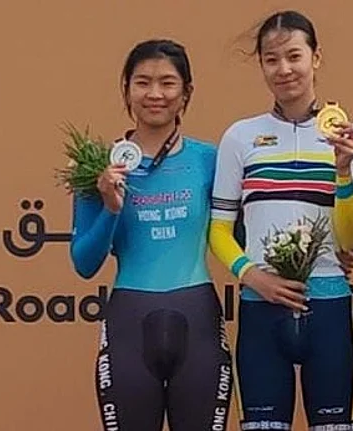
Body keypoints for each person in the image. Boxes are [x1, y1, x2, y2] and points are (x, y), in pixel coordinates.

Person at [208, 10, 353, 431]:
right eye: (271, 59)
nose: (284, 69)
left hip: (331, 306)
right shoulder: (240, 137)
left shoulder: (351, 138)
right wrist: (252, 277)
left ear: (316, 58)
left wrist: (341, 171)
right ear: (261, 64)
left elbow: (352, 237)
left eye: (294, 56)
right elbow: (220, 230)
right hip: (261, 310)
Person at [69, 39, 232, 431]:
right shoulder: (99, 165)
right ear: (126, 89)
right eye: (142, 82)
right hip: (129, 317)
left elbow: (238, 233)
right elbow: (84, 263)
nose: (155, 94)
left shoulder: (210, 159)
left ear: (186, 93)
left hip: (197, 317)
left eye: (167, 83)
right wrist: (110, 206)